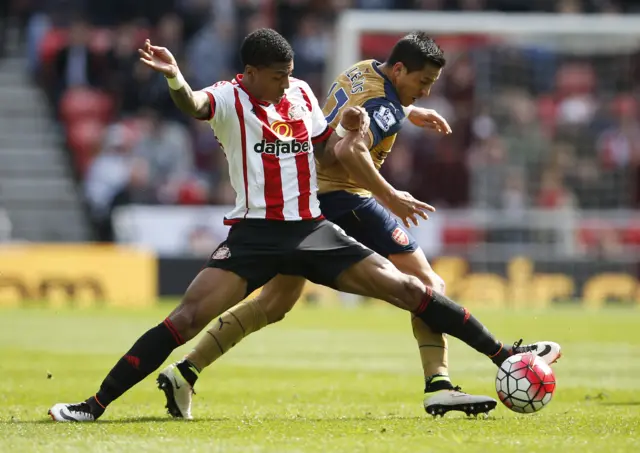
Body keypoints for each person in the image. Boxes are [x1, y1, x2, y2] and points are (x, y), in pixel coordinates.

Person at [49, 29, 559, 423]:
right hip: (254, 235)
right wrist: (175, 78)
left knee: (410, 288)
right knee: (184, 320)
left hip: (311, 228)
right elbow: (192, 105)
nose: (286, 82)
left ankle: (504, 357)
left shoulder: (299, 93)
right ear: (250, 72)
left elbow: (325, 143)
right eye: (277, 76)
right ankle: (93, 404)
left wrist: (351, 127)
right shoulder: (228, 98)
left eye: (290, 73)